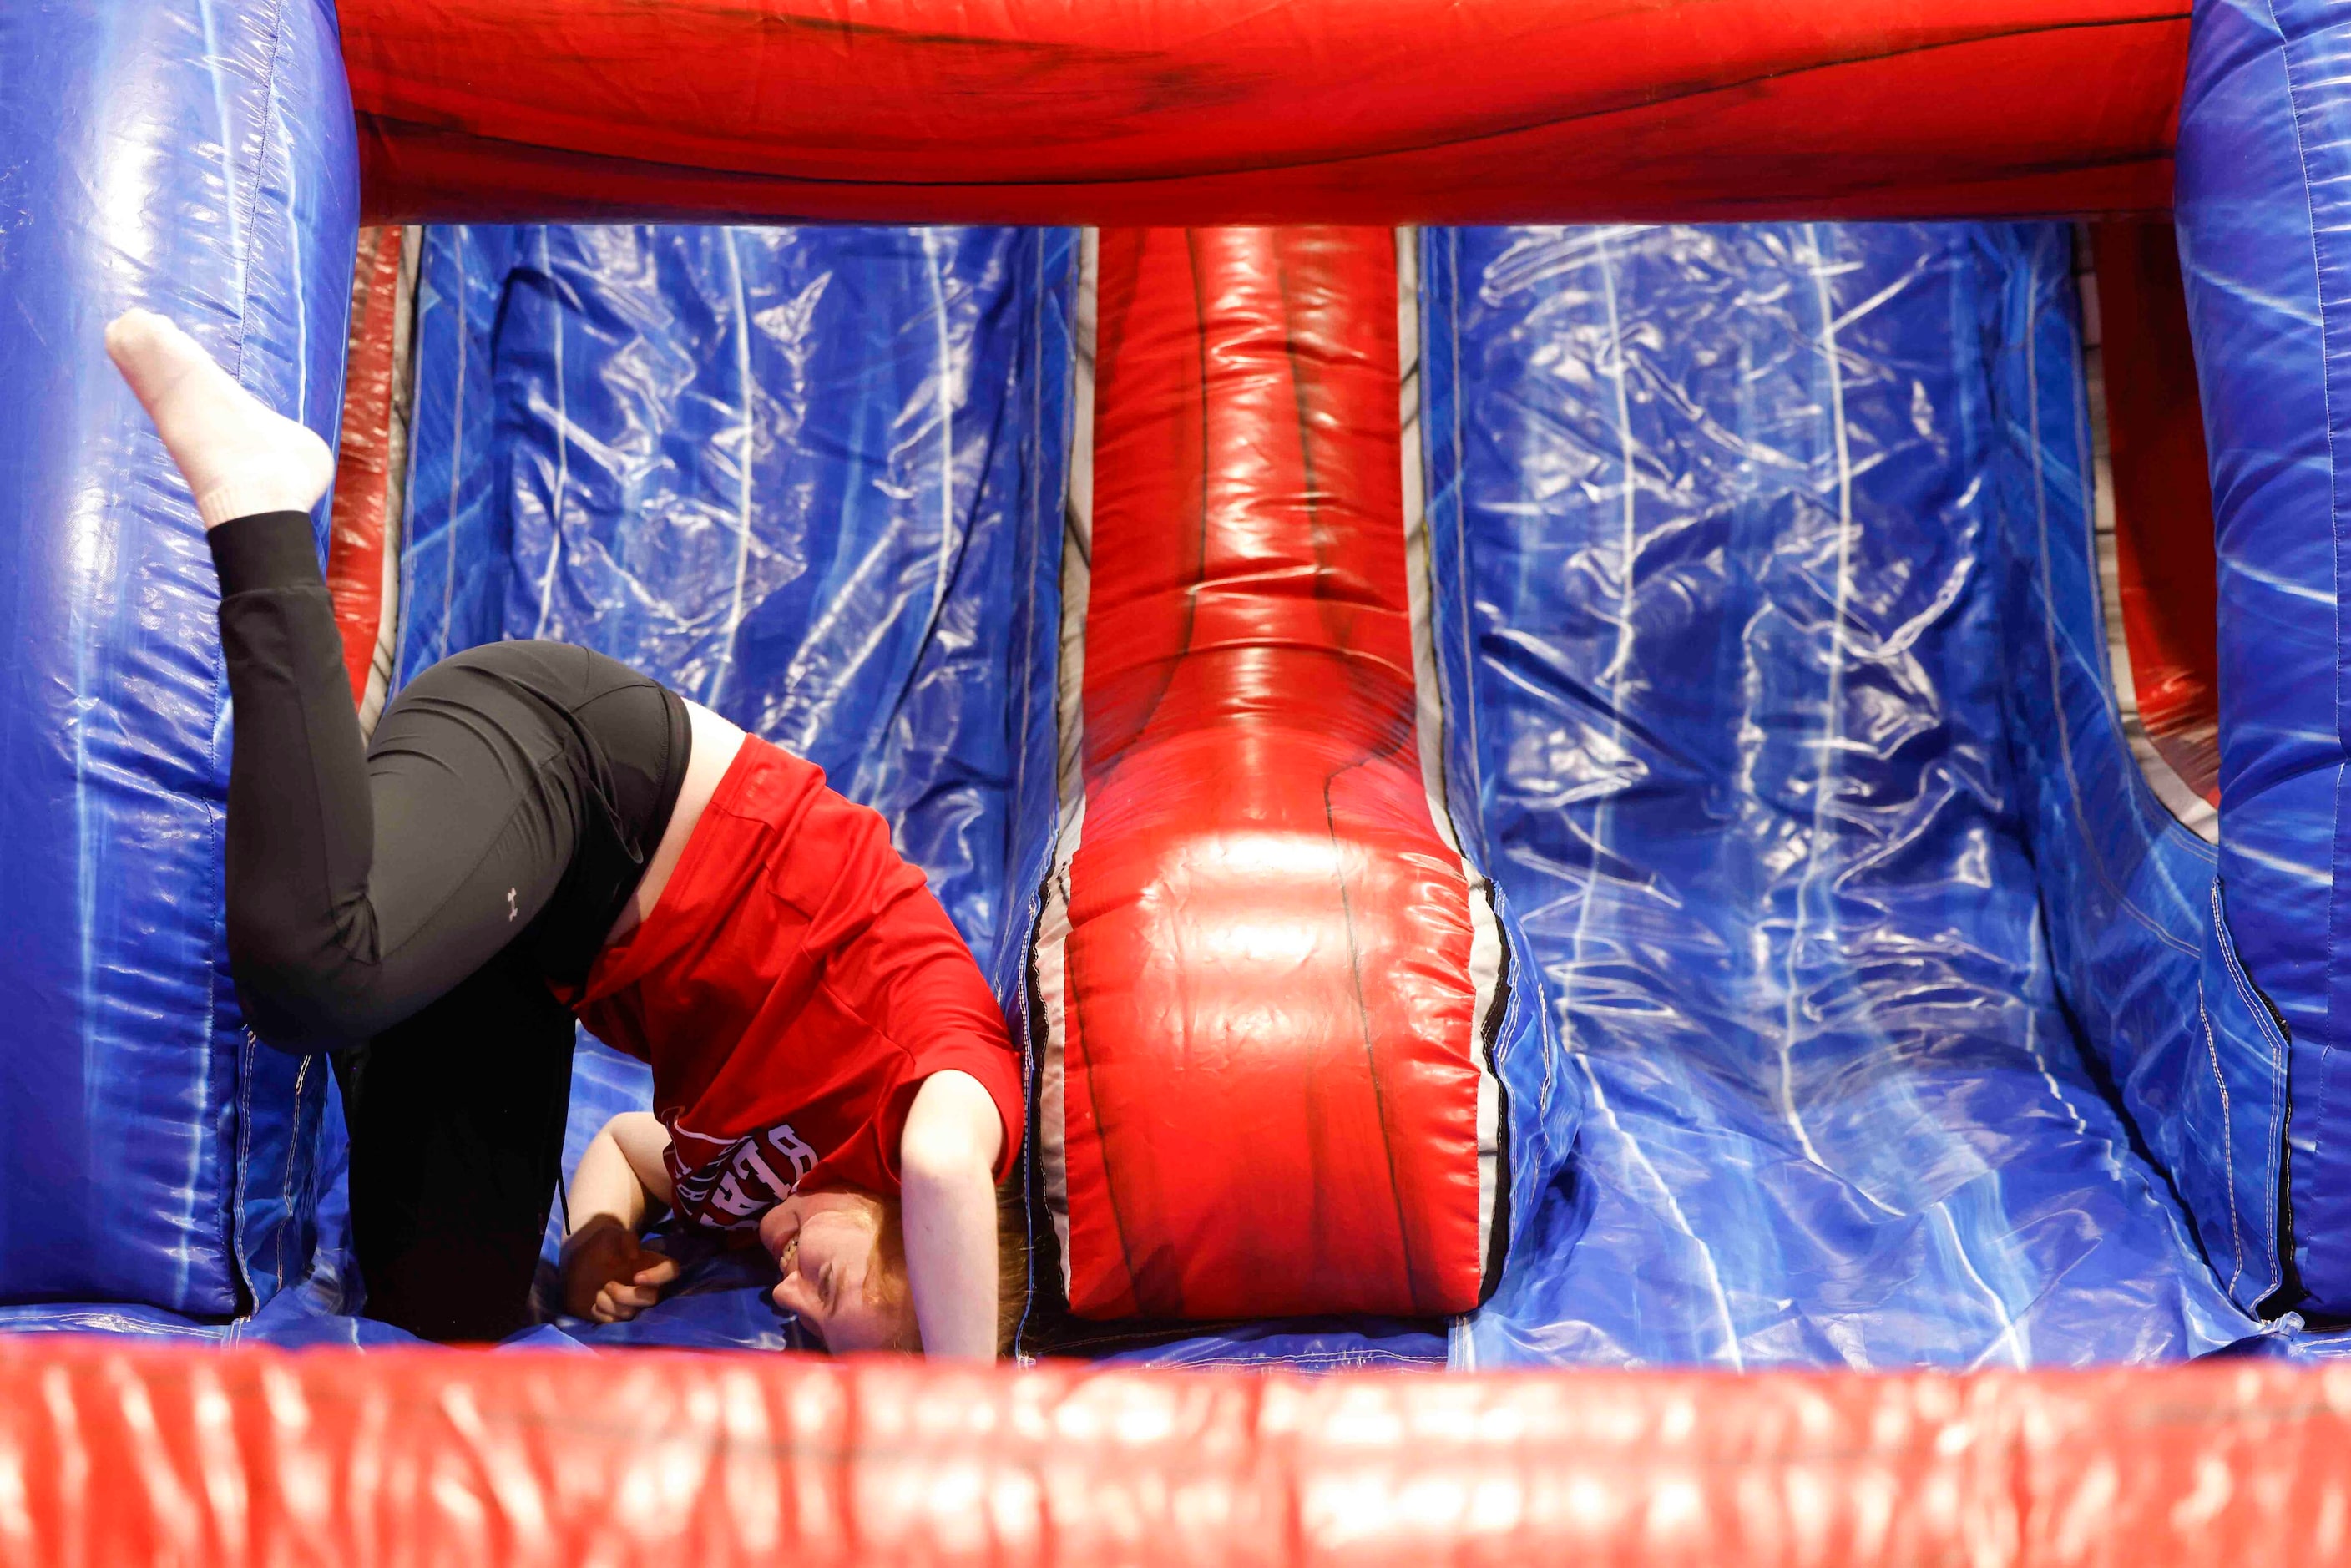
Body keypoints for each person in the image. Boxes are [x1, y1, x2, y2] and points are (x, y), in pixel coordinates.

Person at [104, 309, 1023, 1358]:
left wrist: (595, 1238)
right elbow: (949, 1172)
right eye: (829, 1284)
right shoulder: (941, 1089)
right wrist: (969, 1425)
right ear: (918, 1239)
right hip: (584, 776)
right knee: (315, 973)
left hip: (537, 954)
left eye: (804, 1323)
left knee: (447, 1318)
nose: (786, 1298)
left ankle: (405, 968)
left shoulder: (772, 1199)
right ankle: (257, 505)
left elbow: (634, 1149)